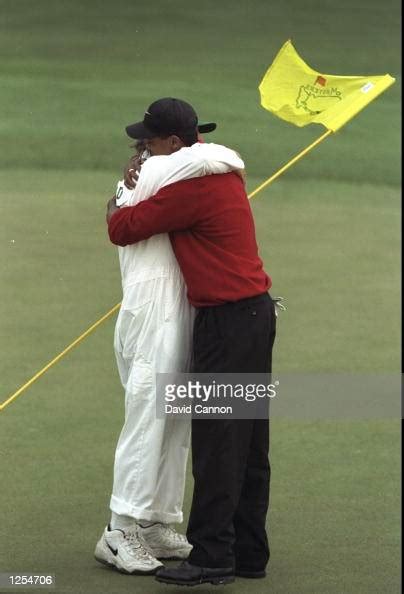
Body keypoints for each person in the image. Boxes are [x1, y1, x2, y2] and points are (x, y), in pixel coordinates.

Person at [106, 98, 276, 586]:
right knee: (249, 440)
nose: (145, 149)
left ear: (175, 143)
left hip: (226, 322)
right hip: (255, 315)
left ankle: (213, 557)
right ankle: (249, 554)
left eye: (151, 141)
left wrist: (117, 196)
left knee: (219, 442)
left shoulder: (193, 186)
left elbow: (124, 228)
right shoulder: (221, 171)